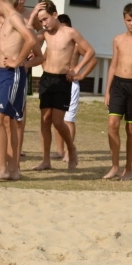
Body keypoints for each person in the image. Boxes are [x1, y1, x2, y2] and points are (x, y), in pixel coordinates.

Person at [0, 0, 39, 182]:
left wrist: (18, 61)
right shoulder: (6, 20)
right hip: (1, 75)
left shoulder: (15, 18)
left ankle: (2, 167)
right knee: (5, 121)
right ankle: (13, 169)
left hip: (12, 75)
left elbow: (31, 41)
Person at [31, 0, 93, 171]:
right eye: (41, 20)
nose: (43, 23)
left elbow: (90, 51)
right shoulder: (44, 33)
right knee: (44, 120)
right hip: (47, 79)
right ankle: (46, 160)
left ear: (55, 15)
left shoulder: (70, 32)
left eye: (45, 19)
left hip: (62, 80)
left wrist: (77, 69)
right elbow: (29, 38)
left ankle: (71, 149)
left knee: (58, 121)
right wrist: (33, 16)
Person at [102, 3, 132, 181]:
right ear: (124, 19)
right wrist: (107, 91)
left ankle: (128, 169)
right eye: (129, 20)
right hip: (118, 85)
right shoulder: (117, 40)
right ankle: (115, 166)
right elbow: (113, 65)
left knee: (131, 130)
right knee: (112, 124)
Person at [54, 13, 79, 161]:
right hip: (57, 82)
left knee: (69, 119)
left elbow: (91, 57)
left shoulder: (76, 43)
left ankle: (70, 151)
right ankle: (59, 150)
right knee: (57, 119)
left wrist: (79, 72)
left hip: (71, 84)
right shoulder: (56, 41)